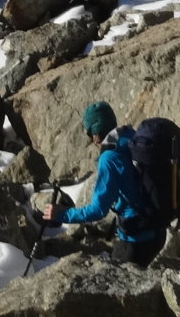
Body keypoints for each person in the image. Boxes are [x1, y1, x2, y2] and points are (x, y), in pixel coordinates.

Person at [38, 100, 165, 265]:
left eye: (89, 132)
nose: (91, 138)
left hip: (137, 238)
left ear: (96, 132)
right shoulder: (130, 137)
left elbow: (98, 210)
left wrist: (62, 215)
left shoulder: (109, 159)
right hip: (157, 229)